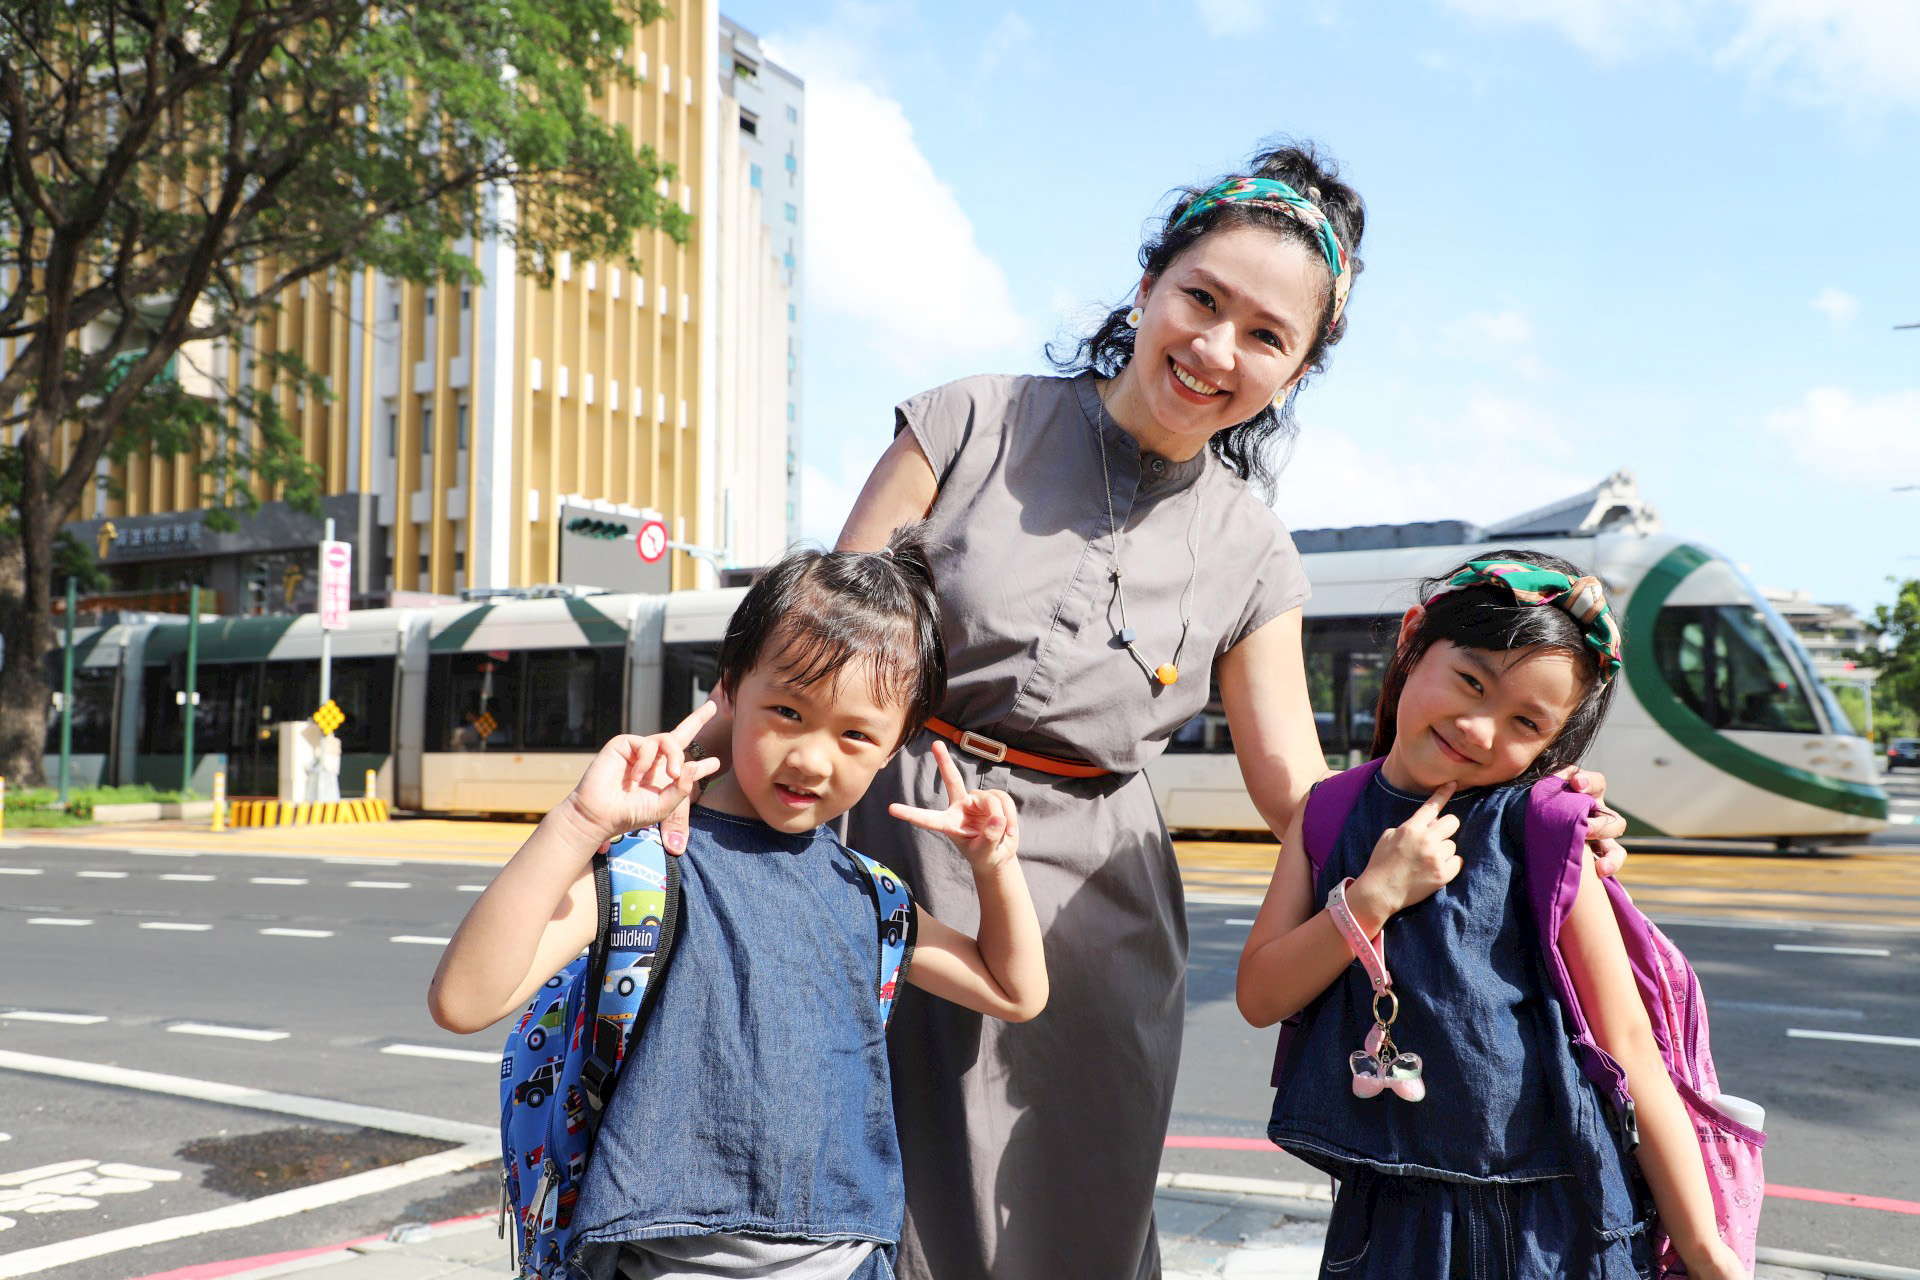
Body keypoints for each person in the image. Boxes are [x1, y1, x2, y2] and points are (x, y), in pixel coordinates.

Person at [677, 139, 1626, 1279]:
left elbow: (1298, 790)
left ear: (1300, 370)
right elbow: (815, 645)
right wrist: (685, 791)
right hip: (887, 845)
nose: (1217, 349)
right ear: (1147, 286)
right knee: (854, 1187)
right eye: (1202, 299)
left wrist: (1528, 817)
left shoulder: (1257, 551)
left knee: (1071, 1212)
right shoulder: (967, 421)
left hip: (1101, 915)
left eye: (1268, 336)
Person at [427, 528, 1048, 1280]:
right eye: (787, 711)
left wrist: (994, 867)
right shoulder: (647, 869)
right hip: (664, 1257)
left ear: (896, 747)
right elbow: (465, 999)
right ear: (729, 687)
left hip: (847, 1259)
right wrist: (581, 823)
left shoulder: (870, 897)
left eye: (856, 734)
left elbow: (1015, 992)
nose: (813, 758)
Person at [1238, 553, 1744, 1280]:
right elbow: (1261, 995)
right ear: (1414, 639)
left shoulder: (1542, 825)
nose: (1479, 729)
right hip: (1390, 1215)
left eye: (1525, 722)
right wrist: (1373, 896)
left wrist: (1703, 1246)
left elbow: (1628, 1044)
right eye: (1471, 681)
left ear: (1553, 743)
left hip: (1560, 1215)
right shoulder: (1328, 812)